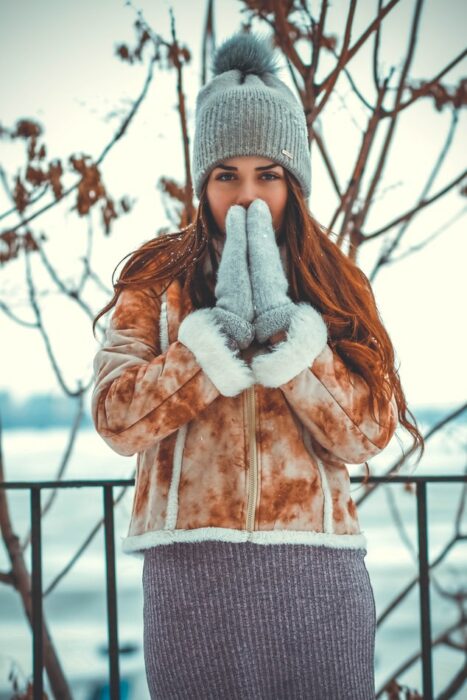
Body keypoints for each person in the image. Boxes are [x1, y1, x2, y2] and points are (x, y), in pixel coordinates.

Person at [91, 31, 423, 700]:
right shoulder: (156, 280)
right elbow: (116, 419)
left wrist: (293, 345)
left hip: (316, 574)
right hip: (190, 576)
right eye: (226, 175)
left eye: (266, 175)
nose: (246, 195)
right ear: (201, 182)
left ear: (292, 181)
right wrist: (203, 354)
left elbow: (368, 432)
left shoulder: (332, 280)